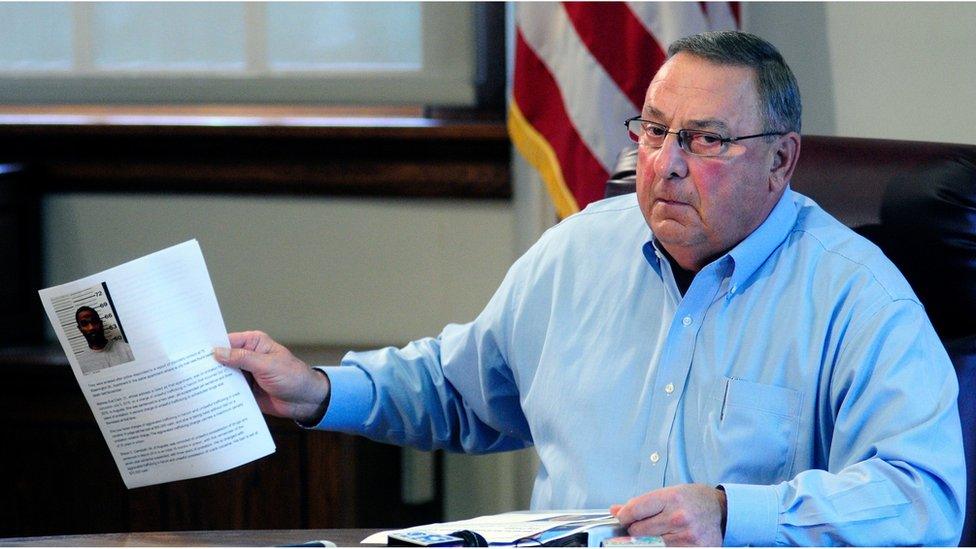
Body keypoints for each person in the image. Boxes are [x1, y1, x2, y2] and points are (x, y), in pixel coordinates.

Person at [213, 31, 965, 546]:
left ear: (780, 160)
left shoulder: (856, 297)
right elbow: (459, 388)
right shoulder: (578, 251)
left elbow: (922, 496)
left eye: (705, 140)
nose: (665, 163)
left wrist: (734, 515)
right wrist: (315, 389)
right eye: (653, 130)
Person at [75, 305, 134, 373]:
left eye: (94, 321)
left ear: (101, 323)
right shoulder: (81, 365)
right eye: (84, 323)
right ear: (80, 329)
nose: (91, 327)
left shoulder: (127, 350)